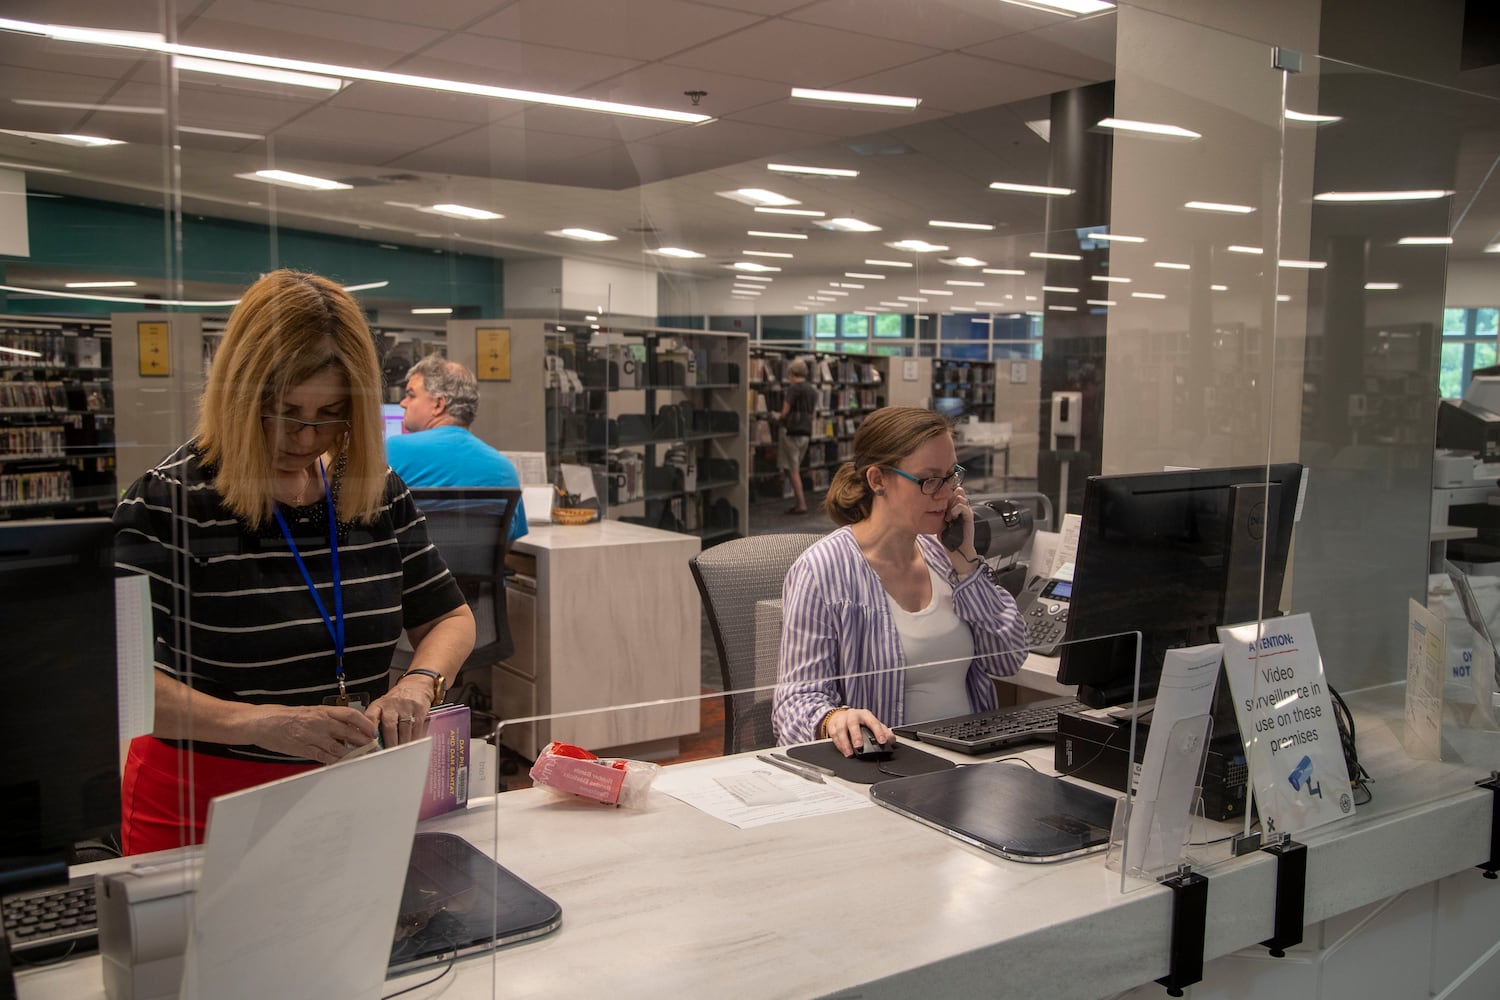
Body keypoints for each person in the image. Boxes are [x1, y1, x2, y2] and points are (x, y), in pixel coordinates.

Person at [112, 270, 476, 855]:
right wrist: (264, 724)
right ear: (237, 395)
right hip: (203, 809)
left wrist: (418, 683)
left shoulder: (373, 488)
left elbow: (449, 619)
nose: (306, 438)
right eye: (284, 413)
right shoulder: (168, 500)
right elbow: (123, 683)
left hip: (351, 792)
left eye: (331, 414)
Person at [771, 406, 1029, 753]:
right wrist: (832, 719)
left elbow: (1007, 659)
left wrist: (967, 563)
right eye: (930, 480)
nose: (945, 493)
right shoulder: (822, 571)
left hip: (972, 763)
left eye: (952, 476)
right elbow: (794, 704)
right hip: (885, 771)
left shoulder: (945, 557)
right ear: (878, 480)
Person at [385, 353, 527, 541]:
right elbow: (504, 546)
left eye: (411, 395)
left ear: (438, 404)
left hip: (412, 570)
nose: (403, 403)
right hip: (473, 571)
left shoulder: (391, 451)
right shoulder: (504, 468)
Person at [777, 358, 819, 515]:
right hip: (806, 432)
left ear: (792, 373)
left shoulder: (793, 389)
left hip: (792, 431)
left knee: (793, 470)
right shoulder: (812, 390)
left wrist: (778, 418)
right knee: (792, 468)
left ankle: (801, 504)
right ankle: (798, 500)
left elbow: (785, 411)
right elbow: (813, 413)